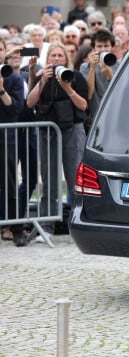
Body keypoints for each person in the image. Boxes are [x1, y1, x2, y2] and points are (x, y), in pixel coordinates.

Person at [26, 43, 89, 244]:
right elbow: (29, 102)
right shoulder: (42, 76)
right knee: (50, 180)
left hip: (73, 131)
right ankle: (47, 226)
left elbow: (83, 105)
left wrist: (67, 87)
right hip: (48, 132)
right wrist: (42, 81)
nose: (56, 59)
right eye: (53, 55)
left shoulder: (76, 76)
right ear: (47, 58)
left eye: (60, 56)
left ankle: (80, 225)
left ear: (66, 58)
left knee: (75, 181)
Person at [0, 38, 27, 247]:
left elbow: (15, 109)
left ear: (5, 53)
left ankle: (16, 228)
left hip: (7, 137)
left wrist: (1, 90)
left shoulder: (14, 78)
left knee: (9, 183)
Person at [80, 30, 118, 133]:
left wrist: (109, 75)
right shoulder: (85, 67)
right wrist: (92, 68)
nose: (103, 49)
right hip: (95, 118)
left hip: (116, 117)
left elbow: (120, 92)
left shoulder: (120, 64)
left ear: (112, 47)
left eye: (106, 46)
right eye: (99, 46)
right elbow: (89, 95)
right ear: (94, 48)